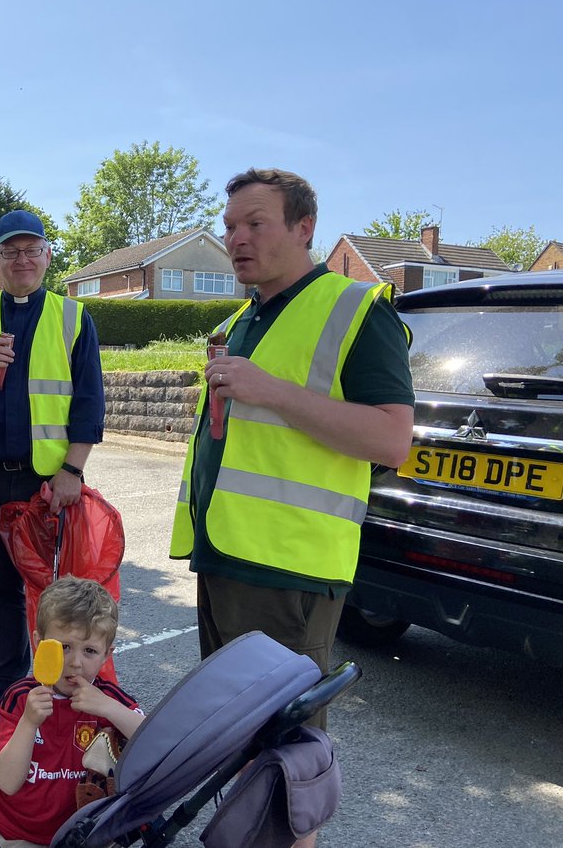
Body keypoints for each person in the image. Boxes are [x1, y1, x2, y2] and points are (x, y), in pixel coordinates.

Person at [170, 168, 414, 845]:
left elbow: (393, 439)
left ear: (305, 227)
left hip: (291, 571)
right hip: (227, 558)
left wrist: (273, 391)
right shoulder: (241, 320)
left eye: (254, 224)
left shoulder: (357, 310)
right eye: (229, 229)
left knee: (286, 759)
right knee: (245, 749)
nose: (236, 240)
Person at [0, 209, 106, 727]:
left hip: (46, 485)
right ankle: (8, 687)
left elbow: (89, 404)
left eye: (32, 250)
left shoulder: (74, 318)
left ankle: (61, 689)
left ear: (48, 256)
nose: (22, 260)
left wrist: (72, 472)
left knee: (54, 595)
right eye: (11, 251)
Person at [0, 577, 142, 848]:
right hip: (8, 831)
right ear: (38, 642)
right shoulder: (21, 697)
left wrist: (109, 708)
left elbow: (159, 740)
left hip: (79, 837)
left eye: (90, 651)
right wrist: (28, 723)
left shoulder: (109, 700)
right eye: (64, 647)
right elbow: (8, 783)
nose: (76, 663)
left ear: (107, 655)